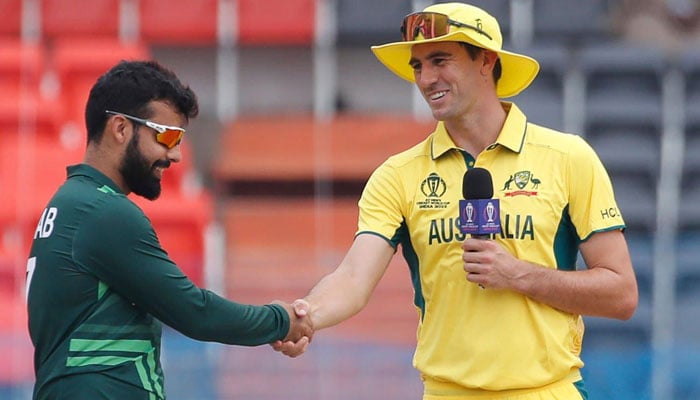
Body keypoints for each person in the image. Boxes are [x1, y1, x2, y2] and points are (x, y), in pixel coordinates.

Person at [273, 3, 638, 399]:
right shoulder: (398, 174)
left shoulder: (569, 158)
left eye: (440, 60)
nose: (426, 78)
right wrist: (306, 315)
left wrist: (517, 274)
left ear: (486, 61)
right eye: (417, 66)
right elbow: (352, 279)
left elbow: (621, 294)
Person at [25, 60, 312, 400]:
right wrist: (280, 320)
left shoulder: (70, 204)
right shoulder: (104, 212)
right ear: (120, 129)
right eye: (167, 136)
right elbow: (195, 313)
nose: (174, 155)